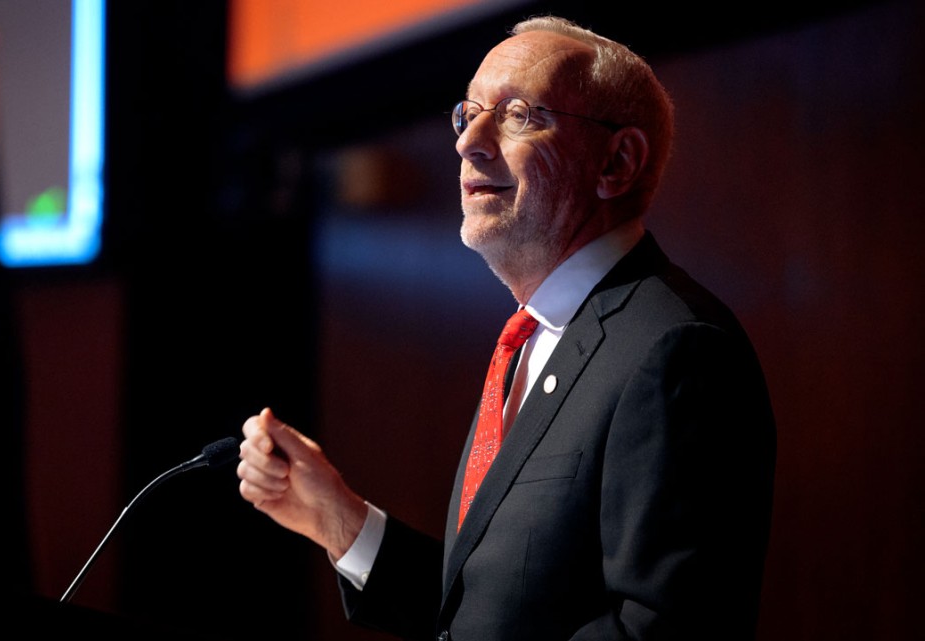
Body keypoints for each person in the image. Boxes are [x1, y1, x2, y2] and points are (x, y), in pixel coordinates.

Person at [237, 14, 776, 641]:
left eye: (519, 114)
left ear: (617, 162)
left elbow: (660, 630)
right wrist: (339, 522)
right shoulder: (531, 341)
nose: (468, 142)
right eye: (467, 115)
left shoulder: (676, 351)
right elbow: (490, 615)